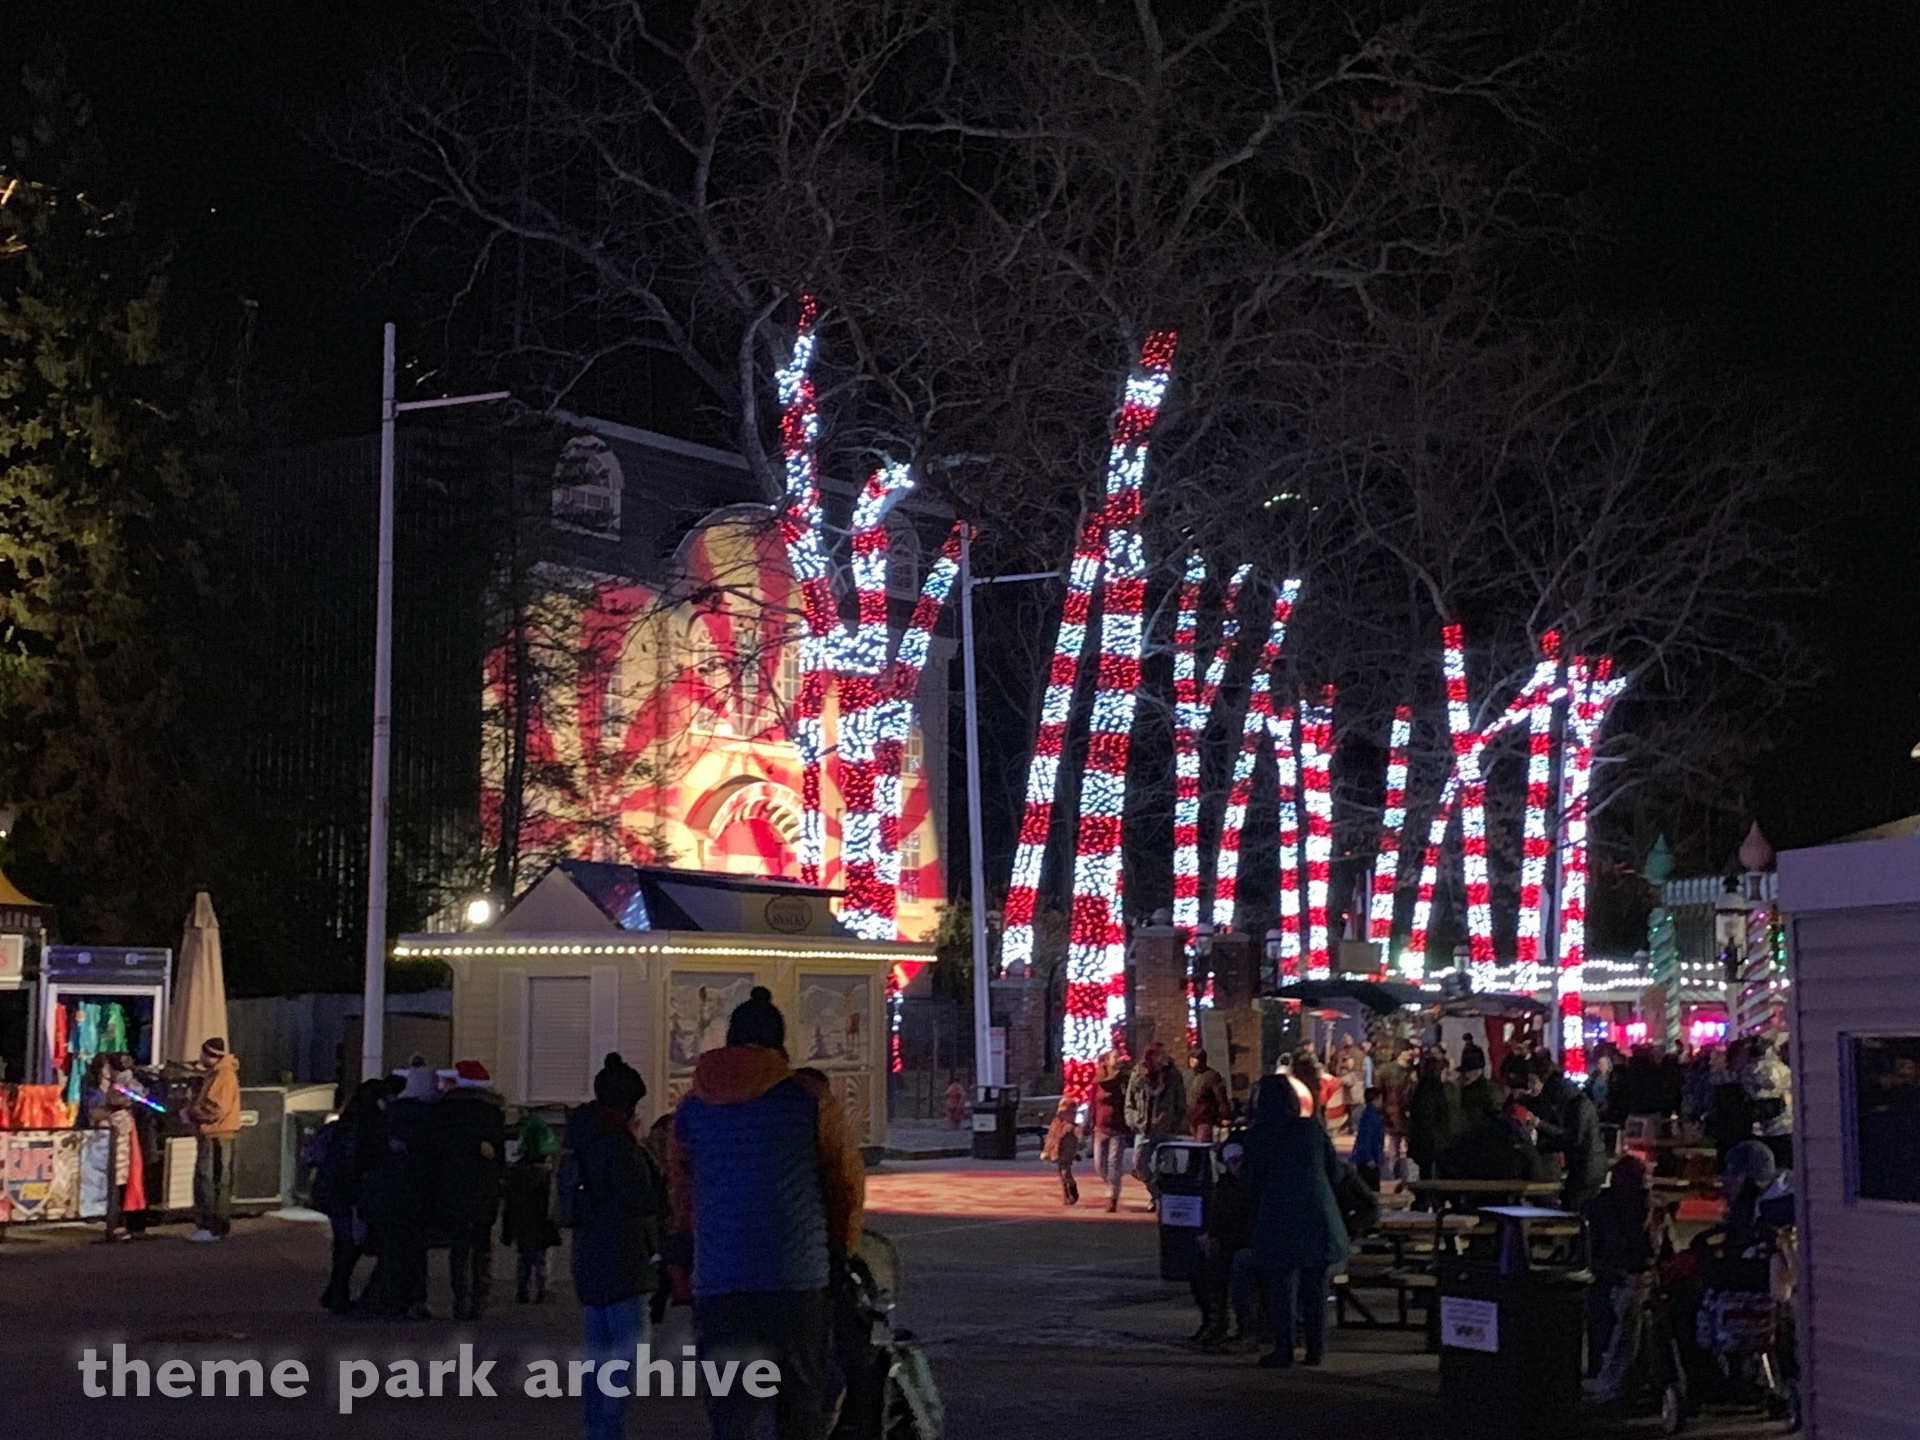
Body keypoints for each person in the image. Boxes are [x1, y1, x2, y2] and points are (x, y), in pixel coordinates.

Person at [668, 986, 865, 1440]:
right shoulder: (809, 1100)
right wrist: (841, 1249)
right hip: (797, 1278)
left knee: (731, 1415)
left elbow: (682, 1193)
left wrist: (690, 1248)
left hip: (719, 1280)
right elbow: (845, 1184)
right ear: (779, 1043)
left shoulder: (691, 1109)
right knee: (800, 1410)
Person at [567, 1053, 664, 1440]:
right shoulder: (618, 1145)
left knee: (598, 1353)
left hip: (591, 1257)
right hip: (625, 1260)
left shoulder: (582, 1137)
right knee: (628, 1354)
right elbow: (643, 1197)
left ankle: (596, 1429)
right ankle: (609, 1430)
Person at [1242, 1074, 1349, 1368]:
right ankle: (1316, 1348)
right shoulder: (1311, 1129)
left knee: (1283, 1286)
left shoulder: (1258, 1135)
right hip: (1319, 1216)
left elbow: (1248, 1181)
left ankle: (1285, 1348)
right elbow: (1336, 1173)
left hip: (1280, 1218)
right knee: (1316, 1286)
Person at [1585, 1154, 1671, 1402]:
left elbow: (1668, 1255)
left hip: (1649, 1279)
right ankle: (1614, 1382)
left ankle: (1664, 1377)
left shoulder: (1656, 1210)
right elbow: (1590, 1259)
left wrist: (1658, 1274)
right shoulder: (1601, 1210)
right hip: (1613, 1281)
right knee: (1630, 1305)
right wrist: (1624, 1278)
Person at [360, 1061, 439, 1319]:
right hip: (419, 1196)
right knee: (415, 1252)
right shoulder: (431, 1119)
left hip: (389, 1194)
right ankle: (414, 1300)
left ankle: (392, 1300)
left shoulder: (392, 1116)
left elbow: (374, 1152)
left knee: (394, 1251)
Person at [433, 1059, 506, 1320]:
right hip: (484, 1186)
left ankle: (460, 1299)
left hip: (454, 1185)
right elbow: (499, 1155)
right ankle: (479, 1299)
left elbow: (439, 1150)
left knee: (459, 1246)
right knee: (482, 1244)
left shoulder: (446, 1110)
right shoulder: (492, 1112)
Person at [314, 1077, 389, 1313]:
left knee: (345, 1245)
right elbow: (355, 1161)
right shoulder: (366, 1124)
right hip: (348, 1192)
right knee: (350, 1245)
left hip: (335, 1190)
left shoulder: (347, 1122)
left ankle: (335, 1293)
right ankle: (337, 1294)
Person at [1521, 1049, 1609, 1214]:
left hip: (1587, 1166)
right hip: (1590, 1164)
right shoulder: (1570, 1098)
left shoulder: (1574, 1104)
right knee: (1573, 1207)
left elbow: (1571, 1139)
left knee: (1572, 1208)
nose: (1530, 1087)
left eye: (1533, 1081)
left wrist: (1540, 1126)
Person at [1190, 1140, 1256, 1350]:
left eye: (1240, 1160)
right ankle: (1213, 1320)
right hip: (1229, 1242)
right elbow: (1216, 1219)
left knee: (1234, 1265)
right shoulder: (1224, 1187)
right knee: (1199, 1265)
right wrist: (1210, 1237)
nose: (1238, 1165)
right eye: (1233, 1161)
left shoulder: (1254, 1185)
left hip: (1247, 1243)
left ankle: (1242, 1329)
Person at [501, 1112, 561, 1304]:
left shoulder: (516, 1172)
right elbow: (552, 1200)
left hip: (523, 1221)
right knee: (542, 1257)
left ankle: (522, 1288)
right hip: (542, 1222)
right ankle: (543, 1288)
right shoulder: (547, 1174)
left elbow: (510, 1201)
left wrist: (507, 1227)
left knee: (524, 1255)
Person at [185, 1037, 241, 1242]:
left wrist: (192, 1112)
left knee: (207, 1179)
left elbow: (216, 1109)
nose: (200, 1057)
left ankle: (210, 1226)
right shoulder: (221, 1073)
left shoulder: (222, 1075)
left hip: (215, 1133)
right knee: (217, 1180)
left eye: (202, 1053)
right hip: (220, 1132)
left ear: (209, 1054)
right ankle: (217, 1226)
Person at [1125, 1042, 1187, 1210]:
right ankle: (1156, 1192)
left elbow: (1181, 1102)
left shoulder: (1173, 1075)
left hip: (1165, 1128)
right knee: (1139, 1163)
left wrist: (1175, 1123)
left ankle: (1165, 1199)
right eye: (1156, 1055)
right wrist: (1132, 1120)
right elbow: (1130, 1100)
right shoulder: (1138, 1074)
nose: (1160, 1058)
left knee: (1167, 1167)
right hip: (1144, 1128)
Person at [81, 1053, 134, 1242]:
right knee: (104, 1182)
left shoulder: (118, 1089)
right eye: (106, 1067)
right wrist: (109, 1113)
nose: (110, 1071)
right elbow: (92, 1115)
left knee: (117, 1183)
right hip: (98, 1144)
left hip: (117, 1146)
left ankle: (114, 1221)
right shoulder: (93, 1092)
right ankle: (109, 1221)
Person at [1406, 1053, 1459, 1185]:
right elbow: (1432, 1116)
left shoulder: (1421, 1088)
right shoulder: (1433, 1089)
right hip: (1432, 1140)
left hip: (1424, 1140)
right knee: (1433, 1172)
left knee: (1426, 1172)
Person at [1089, 1052, 1132, 1213]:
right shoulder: (1098, 1081)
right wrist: (1088, 1123)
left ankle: (1113, 1197)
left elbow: (1129, 1101)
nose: (1118, 1059)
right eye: (1115, 1057)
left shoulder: (1123, 1080)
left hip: (1117, 1127)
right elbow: (1092, 1104)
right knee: (1099, 1164)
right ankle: (1111, 1184)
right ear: (1106, 1061)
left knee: (1114, 1162)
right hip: (1100, 1128)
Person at [1746, 1034, 1793, 1168]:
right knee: (1782, 1164)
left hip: (1763, 1126)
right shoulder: (1781, 1068)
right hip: (1784, 1124)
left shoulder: (1751, 1069)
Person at [1042, 1096, 1082, 1205]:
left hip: (1067, 1153)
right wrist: (1047, 1150)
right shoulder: (1056, 1123)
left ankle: (1072, 1190)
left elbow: (1077, 1140)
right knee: (1061, 1173)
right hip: (1058, 1151)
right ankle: (1066, 1194)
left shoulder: (1072, 1127)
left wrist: (1076, 1153)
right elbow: (1051, 1138)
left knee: (1065, 1172)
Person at [1186, 1048, 1231, 1141]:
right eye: (1191, 1057)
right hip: (1189, 1119)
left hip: (1204, 1119)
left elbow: (1220, 1097)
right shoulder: (1187, 1076)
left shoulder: (1211, 1076)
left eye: (1195, 1058)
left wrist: (1224, 1115)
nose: (1192, 1060)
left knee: (1202, 1144)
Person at [1351, 1087, 1386, 1192]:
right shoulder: (1372, 1116)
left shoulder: (1368, 1114)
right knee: (1371, 1188)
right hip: (1369, 1160)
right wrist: (1370, 1158)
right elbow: (1367, 1138)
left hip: (1366, 1158)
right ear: (1375, 1099)